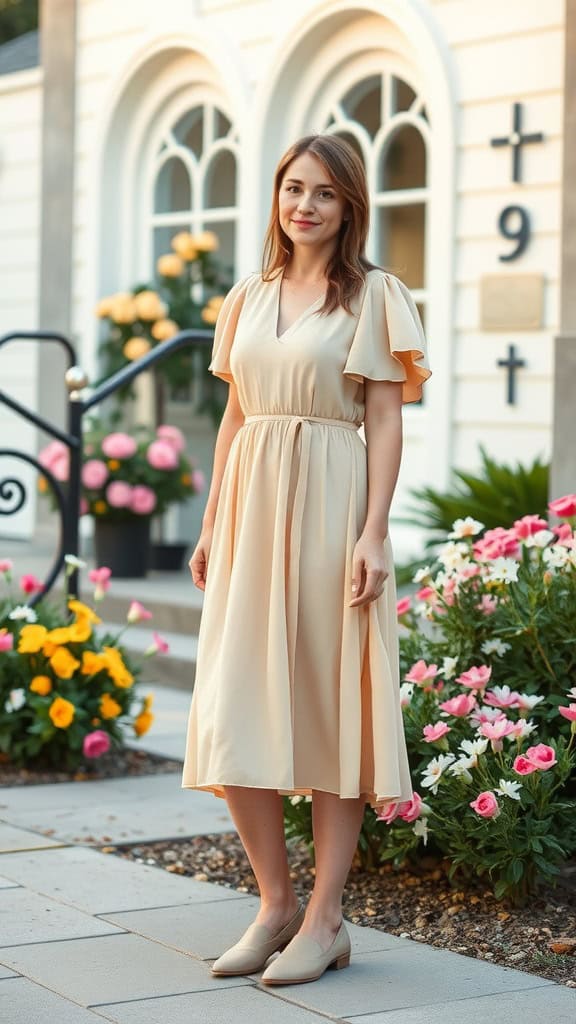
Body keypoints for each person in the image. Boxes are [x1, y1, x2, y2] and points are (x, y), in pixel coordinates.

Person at [182, 132, 431, 986]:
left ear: (349, 206)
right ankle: (275, 903)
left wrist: (373, 533)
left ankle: (326, 920)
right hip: (251, 513)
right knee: (235, 699)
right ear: (277, 198)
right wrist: (212, 520)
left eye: (325, 192)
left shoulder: (376, 297)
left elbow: (388, 421)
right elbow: (235, 415)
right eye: (294, 188)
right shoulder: (246, 297)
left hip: (333, 506)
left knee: (332, 704)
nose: (306, 205)